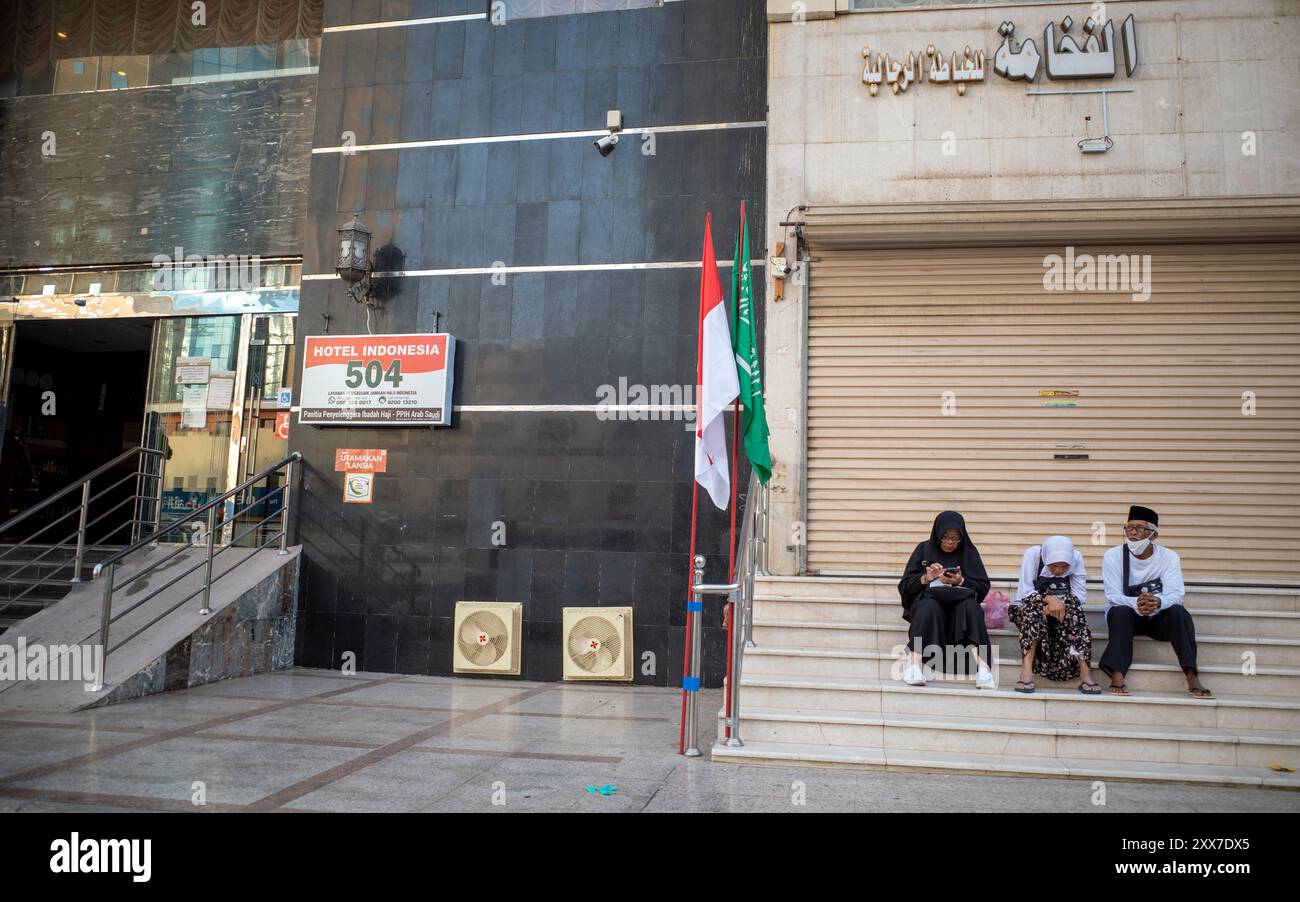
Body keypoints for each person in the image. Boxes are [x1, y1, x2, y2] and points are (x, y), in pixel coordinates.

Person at [1099, 505, 1212, 699]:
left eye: (1140, 528)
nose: (1132, 533)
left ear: (1154, 535)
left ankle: (1192, 675)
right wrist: (1137, 603)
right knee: (1120, 611)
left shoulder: (1169, 557)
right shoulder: (1113, 555)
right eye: (1129, 527)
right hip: (1127, 619)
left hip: (1158, 619)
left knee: (1178, 611)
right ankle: (1117, 675)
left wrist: (1157, 602)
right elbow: (1112, 594)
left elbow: (1176, 594)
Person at [897, 511, 994, 688]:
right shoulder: (924, 550)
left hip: (960, 607)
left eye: (956, 538)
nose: (950, 542)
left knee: (971, 607)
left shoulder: (969, 553)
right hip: (931, 604)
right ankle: (913, 665)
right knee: (927, 607)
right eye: (946, 537)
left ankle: (983, 670)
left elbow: (982, 587)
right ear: (938, 533)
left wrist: (961, 581)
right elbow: (905, 586)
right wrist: (926, 578)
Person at [1009, 535, 1098, 694]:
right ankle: (1026, 670)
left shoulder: (1076, 557)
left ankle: (1085, 672)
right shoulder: (1034, 554)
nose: (1058, 571)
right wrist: (1047, 599)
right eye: (1054, 565)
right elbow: (1024, 593)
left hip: (1061, 611)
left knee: (1075, 612)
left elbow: (1080, 596)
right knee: (1033, 611)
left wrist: (1059, 603)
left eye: (1064, 566)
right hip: (1027, 607)